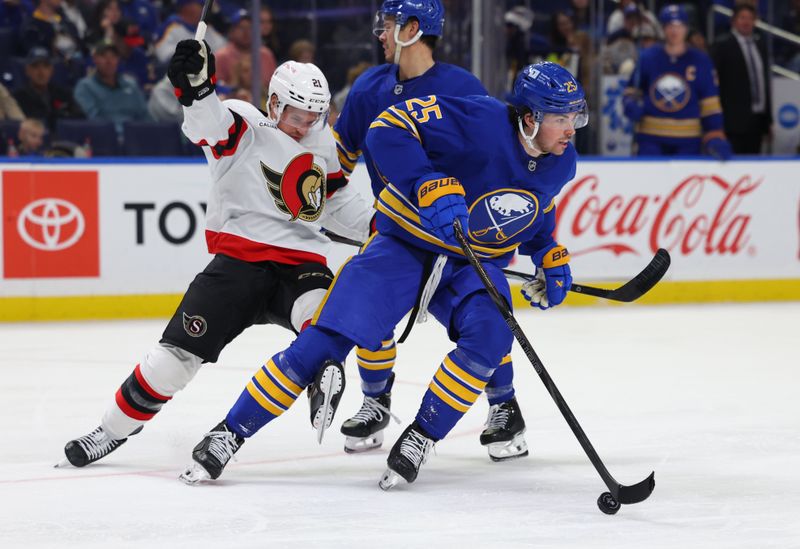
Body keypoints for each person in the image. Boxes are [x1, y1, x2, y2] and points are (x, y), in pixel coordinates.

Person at [179, 61, 585, 488]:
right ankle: (229, 432)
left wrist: (547, 251)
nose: (571, 128)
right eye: (562, 118)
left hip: (471, 263)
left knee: (492, 335)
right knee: (323, 342)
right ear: (529, 118)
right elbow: (388, 126)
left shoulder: (562, 159)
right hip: (404, 246)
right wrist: (425, 181)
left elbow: (532, 205)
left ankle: (421, 437)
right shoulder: (479, 118)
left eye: (575, 116)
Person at [59, 41, 374, 469]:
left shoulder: (322, 150)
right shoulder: (245, 126)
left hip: (302, 266)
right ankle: (110, 430)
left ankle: (322, 376)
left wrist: (387, 228)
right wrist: (196, 87)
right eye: (298, 116)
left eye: (314, 117)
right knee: (172, 361)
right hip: (239, 265)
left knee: (323, 319)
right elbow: (207, 124)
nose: (305, 126)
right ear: (275, 103)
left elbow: (341, 208)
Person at [332, 0, 529, 462]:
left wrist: (495, 237)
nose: (380, 33)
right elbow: (337, 164)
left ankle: (505, 407)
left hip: (456, 239)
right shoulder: (368, 89)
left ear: (412, 29)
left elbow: (496, 166)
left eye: (388, 24)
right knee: (368, 307)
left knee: (487, 313)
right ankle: (376, 402)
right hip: (399, 234)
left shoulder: (463, 88)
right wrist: (310, 193)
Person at [622, 4, 732, 158]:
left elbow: (710, 103)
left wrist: (714, 134)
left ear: (686, 29)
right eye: (670, 26)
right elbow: (632, 91)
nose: (675, 31)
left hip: (688, 141)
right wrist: (630, 103)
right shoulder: (648, 57)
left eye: (679, 26)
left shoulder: (701, 61)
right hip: (650, 139)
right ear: (663, 29)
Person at [711, 3, 772, 154]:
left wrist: (768, 120)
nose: (746, 22)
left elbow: (764, 84)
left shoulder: (760, 45)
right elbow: (714, 84)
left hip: (757, 120)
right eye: (742, 18)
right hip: (732, 122)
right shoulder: (722, 45)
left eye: (750, 18)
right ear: (733, 21)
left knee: (753, 166)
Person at [73, 39, 150, 132]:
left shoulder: (131, 84)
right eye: (103, 56)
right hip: (105, 138)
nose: (109, 61)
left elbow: (145, 116)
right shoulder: (85, 87)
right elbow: (92, 120)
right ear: (95, 59)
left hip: (136, 137)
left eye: (113, 56)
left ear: (118, 60)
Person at [13, 46, 84, 130]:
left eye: (45, 66)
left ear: (51, 70)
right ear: (27, 71)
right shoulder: (18, 97)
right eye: (35, 66)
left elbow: (80, 117)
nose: (41, 72)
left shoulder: (63, 93)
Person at [214, 9, 277, 93]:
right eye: (240, 27)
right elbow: (215, 89)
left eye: (249, 27)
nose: (246, 32)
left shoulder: (266, 54)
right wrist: (235, 80)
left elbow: (275, 87)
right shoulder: (221, 56)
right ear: (231, 31)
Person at [154, 0, 226, 66]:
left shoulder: (207, 28)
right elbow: (163, 54)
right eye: (201, 6)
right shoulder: (172, 25)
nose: (205, 11)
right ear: (187, 7)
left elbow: (223, 50)